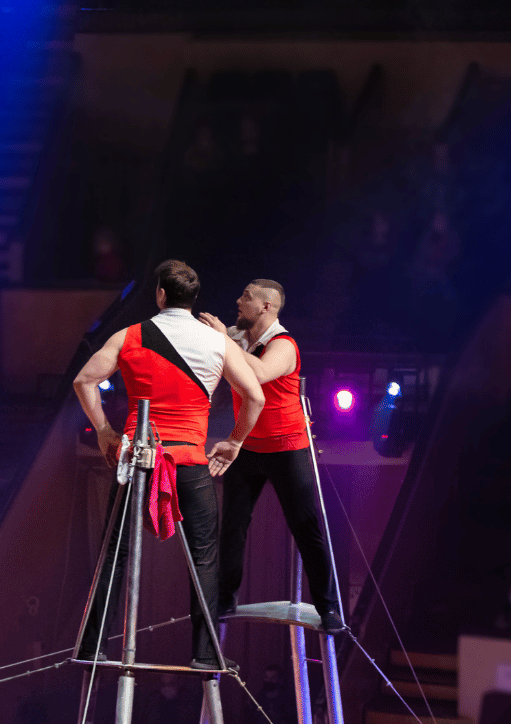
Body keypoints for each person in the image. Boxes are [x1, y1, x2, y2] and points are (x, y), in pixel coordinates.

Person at [72, 260, 265, 669]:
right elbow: (256, 397)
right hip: (191, 460)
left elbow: (83, 381)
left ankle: (92, 647)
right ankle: (206, 653)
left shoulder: (130, 336)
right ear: (193, 300)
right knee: (204, 558)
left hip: (138, 457)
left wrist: (105, 432)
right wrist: (233, 442)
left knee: (115, 554)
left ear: (160, 294)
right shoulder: (217, 343)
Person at [199, 278, 345, 633]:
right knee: (232, 526)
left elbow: (260, 373)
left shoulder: (285, 345)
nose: (238, 300)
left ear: (266, 307)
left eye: (246, 297)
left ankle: (328, 608)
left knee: (306, 529)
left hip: (286, 449)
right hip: (247, 446)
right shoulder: (236, 336)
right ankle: (225, 598)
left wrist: (225, 341)